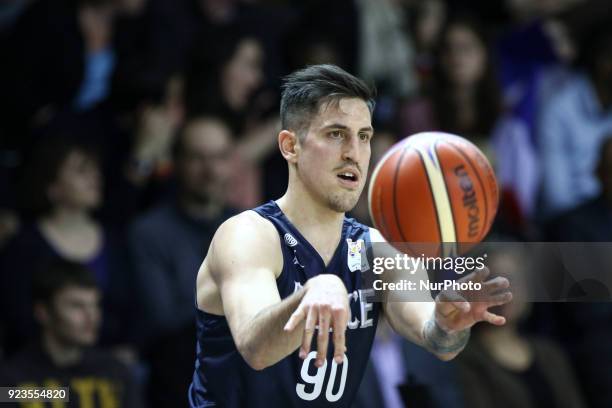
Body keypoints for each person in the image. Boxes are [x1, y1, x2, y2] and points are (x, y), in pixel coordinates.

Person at [188, 64, 512, 407]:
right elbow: (256, 348)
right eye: (336, 134)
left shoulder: (379, 250)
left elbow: (435, 338)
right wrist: (311, 293)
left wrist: (450, 325)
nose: (354, 153)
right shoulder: (248, 236)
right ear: (290, 146)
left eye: (364, 136)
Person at [128, 116, 236, 407]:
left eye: (219, 158)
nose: (210, 171)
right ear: (176, 162)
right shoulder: (149, 233)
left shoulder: (252, 224)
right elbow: (162, 321)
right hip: (179, 382)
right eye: (197, 159)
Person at [0, 259, 143, 407]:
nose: (91, 317)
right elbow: (61, 392)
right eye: (76, 306)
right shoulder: (13, 379)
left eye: (95, 305)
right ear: (42, 312)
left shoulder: (115, 373)